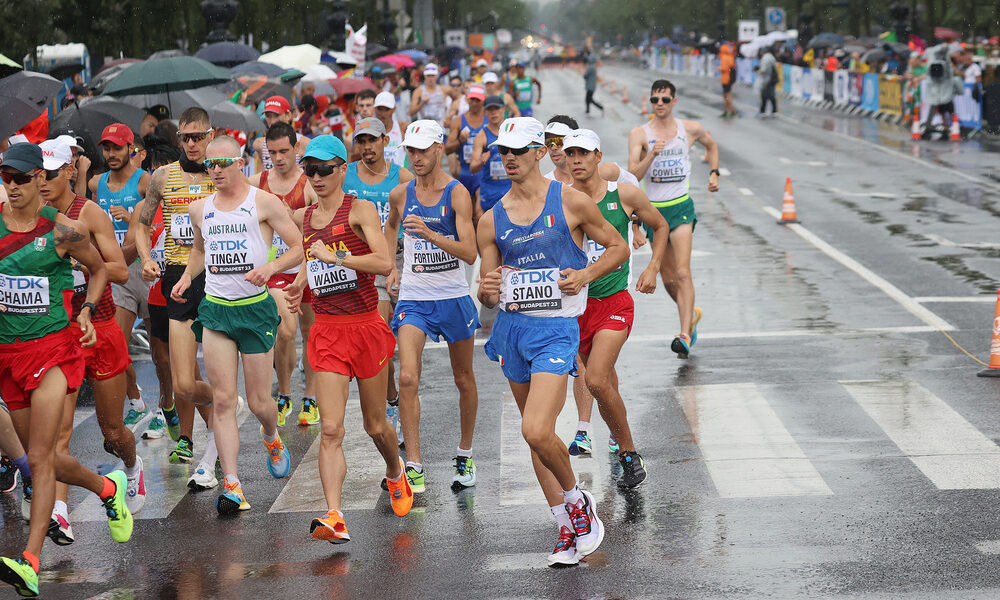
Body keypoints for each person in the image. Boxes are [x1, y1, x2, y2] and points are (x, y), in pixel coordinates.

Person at [476, 117, 626, 567]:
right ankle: (565, 527)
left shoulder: (571, 202)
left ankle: (579, 503)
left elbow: (616, 247)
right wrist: (487, 288)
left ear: (541, 152)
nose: (509, 158)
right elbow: (487, 286)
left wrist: (584, 274)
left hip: (557, 330)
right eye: (503, 150)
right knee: (537, 441)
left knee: (536, 429)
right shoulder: (491, 219)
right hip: (513, 331)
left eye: (519, 150)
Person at [0, 143, 132, 597]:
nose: (12, 186)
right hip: (7, 356)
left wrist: (86, 312)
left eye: (20, 177)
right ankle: (107, 489)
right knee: (44, 457)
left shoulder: (62, 230)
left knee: (39, 458)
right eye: (5, 178)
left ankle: (31, 561)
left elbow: (101, 269)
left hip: (55, 350)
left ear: (40, 178)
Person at [282, 135, 413, 544]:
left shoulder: (359, 209)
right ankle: (335, 514)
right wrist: (299, 281)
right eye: (310, 170)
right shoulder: (304, 217)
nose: (316, 177)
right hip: (326, 331)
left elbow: (383, 261)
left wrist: (335, 257)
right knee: (332, 429)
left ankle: (395, 471)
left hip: (365, 328)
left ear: (342, 168)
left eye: (323, 169)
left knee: (376, 426)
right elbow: (310, 257)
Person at [170, 136, 302, 514]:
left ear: (240, 162)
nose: (215, 171)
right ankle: (231, 483)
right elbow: (199, 250)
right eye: (209, 166)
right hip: (216, 310)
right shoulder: (200, 209)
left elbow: (298, 246)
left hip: (255, 311)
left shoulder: (262, 202)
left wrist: (271, 268)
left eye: (222, 164)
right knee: (224, 400)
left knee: (261, 402)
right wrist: (185, 278)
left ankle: (272, 435)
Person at [39, 138, 144, 545]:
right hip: (57, 335)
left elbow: (118, 270)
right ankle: (61, 515)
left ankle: (131, 471)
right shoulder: (31, 217)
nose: (42, 182)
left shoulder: (90, 213)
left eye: (49, 174)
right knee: (58, 434)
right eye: (36, 175)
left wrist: (81, 259)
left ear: (69, 171)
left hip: (100, 327)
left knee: (113, 431)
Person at [562, 128, 670, 487]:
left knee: (594, 378)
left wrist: (653, 266)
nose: (576, 160)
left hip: (614, 304)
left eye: (583, 153)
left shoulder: (623, 195)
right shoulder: (562, 201)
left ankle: (628, 453)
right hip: (576, 310)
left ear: (597, 157)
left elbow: (660, 225)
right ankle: (623, 448)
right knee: (602, 382)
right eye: (570, 153)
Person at [383, 120, 480, 492]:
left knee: (463, 379)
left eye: (424, 149)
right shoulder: (401, 194)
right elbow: (390, 229)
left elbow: (470, 253)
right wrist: (391, 264)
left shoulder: (456, 194)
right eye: (411, 150)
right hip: (415, 297)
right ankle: (415, 464)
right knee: (407, 376)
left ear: (440, 148)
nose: (417, 157)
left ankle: (465, 452)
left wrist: (431, 235)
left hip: (453, 295)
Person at [136, 108, 220, 485]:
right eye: (185, 138)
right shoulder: (162, 177)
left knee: (213, 367)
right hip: (177, 278)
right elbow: (142, 222)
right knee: (184, 379)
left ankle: (206, 441)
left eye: (198, 137)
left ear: (210, 135)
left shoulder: (222, 172)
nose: (192, 144)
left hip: (218, 276)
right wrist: (143, 258)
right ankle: (219, 409)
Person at [627, 80, 719, 358]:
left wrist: (715, 173)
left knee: (682, 272)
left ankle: (684, 334)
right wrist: (652, 154)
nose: (660, 104)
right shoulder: (639, 134)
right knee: (668, 280)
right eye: (655, 99)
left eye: (665, 99)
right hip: (654, 213)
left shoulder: (689, 129)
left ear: (674, 102)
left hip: (680, 209)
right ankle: (689, 314)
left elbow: (711, 145)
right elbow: (633, 177)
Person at [342, 118, 415, 441]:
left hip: (403, 257)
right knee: (381, 333)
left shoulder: (402, 177)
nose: (367, 147)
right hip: (367, 261)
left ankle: (400, 396)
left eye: (373, 140)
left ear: (386, 140)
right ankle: (391, 402)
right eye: (362, 141)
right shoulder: (347, 175)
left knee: (407, 341)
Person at [249, 123, 320, 428]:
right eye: (272, 152)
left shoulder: (309, 184)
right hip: (277, 271)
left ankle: (311, 398)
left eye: (283, 151)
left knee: (312, 335)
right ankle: (286, 393)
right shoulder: (257, 183)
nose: (278, 158)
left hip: (309, 267)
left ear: (296, 150)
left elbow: (324, 223)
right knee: (286, 333)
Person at [87, 124, 155, 435]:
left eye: (117, 147)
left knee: (162, 355)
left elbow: (157, 223)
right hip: (115, 276)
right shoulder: (96, 183)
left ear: (131, 148)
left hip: (148, 270)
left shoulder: (144, 182)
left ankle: (167, 405)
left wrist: (133, 222)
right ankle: (137, 402)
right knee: (116, 343)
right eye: (106, 148)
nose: (111, 154)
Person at [542, 116, 639, 187]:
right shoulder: (546, 184)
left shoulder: (606, 172)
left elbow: (634, 185)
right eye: (549, 142)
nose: (553, 147)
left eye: (559, 141)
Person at [469, 96, 511, 224]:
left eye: (496, 109)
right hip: (490, 194)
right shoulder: (482, 136)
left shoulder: (512, 131)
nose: (493, 113)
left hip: (511, 191)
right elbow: (472, 167)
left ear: (503, 109)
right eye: (489, 109)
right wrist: (482, 161)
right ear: (485, 112)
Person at [446, 84, 487, 199]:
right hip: (465, 173)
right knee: (467, 213)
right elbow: (447, 149)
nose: (474, 102)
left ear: (483, 100)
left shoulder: (490, 121)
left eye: (477, 100)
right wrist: (460, 140)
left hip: (484, 173)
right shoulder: (458, 121)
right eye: (472, 99)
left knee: (479, 212)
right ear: (467, 99)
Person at [252, 96, 310, 172]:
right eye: (268, 116)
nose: (272, 121)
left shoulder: (305, 143)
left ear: (288, 115)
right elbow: (260, 162)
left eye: (276, 115)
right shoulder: (259, 144)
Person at [757, 46, 779, 117]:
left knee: (764, 95)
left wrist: (758, 72)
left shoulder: (765, 58)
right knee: (771, 95)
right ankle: (774, 110)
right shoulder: (771, 57)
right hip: (773, 79)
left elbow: (763, 69)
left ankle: (763, 111)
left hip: (767, 79)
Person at [719, 43, 737, 117]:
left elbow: (724, 68)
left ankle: (732, 110)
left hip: (725, 79)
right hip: (730, 79)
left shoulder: (724, 57)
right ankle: (726, 110)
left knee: (727, 95)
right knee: (726, 95)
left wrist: (719, 68)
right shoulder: (731, 57)